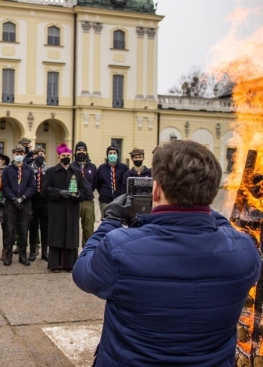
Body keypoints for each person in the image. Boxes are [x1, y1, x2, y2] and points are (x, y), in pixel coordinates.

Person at [73, 140, 261, 367]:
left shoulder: (119, 247)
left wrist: (110, 220)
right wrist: (202, 207)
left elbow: (83, 272)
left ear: (156, 189)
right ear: (211, 193)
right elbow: (228, 234)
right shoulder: (244, 251)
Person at [42, 143, 86, 272]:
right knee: (57, 235)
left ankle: (70, 264)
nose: (66, 157)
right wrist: (59, 192)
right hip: (57, 208)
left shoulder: (77, 172)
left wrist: (79, 194)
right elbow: (45, 190)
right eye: (63, 155)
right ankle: (56, 264)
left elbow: (84, 189)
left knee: (71, 235)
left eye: (68, 155)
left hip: (72, 208)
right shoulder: (51, 171)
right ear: (58, 156)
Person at [1, 145, 36, 266]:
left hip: (25, 203)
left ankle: (23, 255)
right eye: (16, 153)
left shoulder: (29, 170)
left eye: (21, 153)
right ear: (13, 154)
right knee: (9, 229)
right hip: (11, 203)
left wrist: (23, 198)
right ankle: (8, 255)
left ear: (25, 155)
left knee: (23, 229)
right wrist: (14, 198)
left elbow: (32, 186)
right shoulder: (7, 169)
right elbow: (4, 186)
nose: (19, 155)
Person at [71, 141, 97, 247]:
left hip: (88, 201)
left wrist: (88, 191)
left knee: (88, 228)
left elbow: (95, 183)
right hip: (74, 201)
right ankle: (72, 253)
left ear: (86, 152)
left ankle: (86, 252)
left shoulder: (92, 167)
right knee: (73, 228)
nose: (81, 152)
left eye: (83, 150)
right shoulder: (71, 166)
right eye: (79, 150)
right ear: (75, 152)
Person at [94, 145, 128, 220]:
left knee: (118, 221)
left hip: (119, 201)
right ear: (107, 155)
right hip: (105, 201)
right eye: (110, 153)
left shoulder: (124, 168)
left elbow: (125, 184)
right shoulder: (101, 168)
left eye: (114, 153)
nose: (112, 155)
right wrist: (104, 193)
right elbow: (97, 183)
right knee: (106, 221)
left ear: (117, 155)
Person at [28, 147, 49, 261]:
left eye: (42, 154)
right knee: (33, 227)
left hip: (45, 202)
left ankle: (45, 252)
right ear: (33, 156)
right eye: (37, 154)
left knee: (45, 227)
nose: (39, 156)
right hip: (33, 201)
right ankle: (32, 250)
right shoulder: (29, 170)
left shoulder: (49, 170)